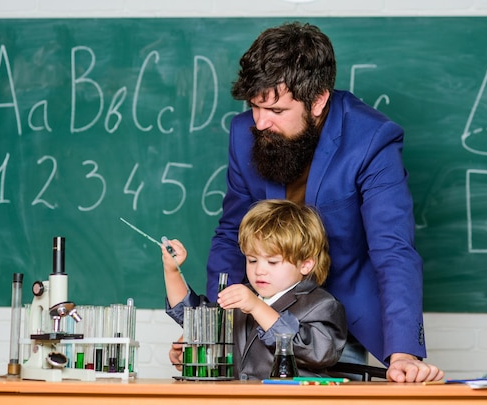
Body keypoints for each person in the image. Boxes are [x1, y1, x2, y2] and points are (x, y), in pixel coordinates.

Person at [171, 21, 443, 383]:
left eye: (278, 111)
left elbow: (393, 249)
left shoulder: (373, 139)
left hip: (340, 323)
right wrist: (212, 330)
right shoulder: (243, 133)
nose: (260, 123)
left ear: (318, 101)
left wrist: (404, 352)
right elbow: (229, 235)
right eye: (254, 106)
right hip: (262, 319)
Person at [162, 199, 347, 380]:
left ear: (305, 264)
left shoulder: (322, 304)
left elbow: (319, 353)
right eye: (252, 260)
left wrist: (257, 307)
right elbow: (195, 317)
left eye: (273, 262)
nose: (259, 270)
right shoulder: (244, 296)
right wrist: (172, 271)